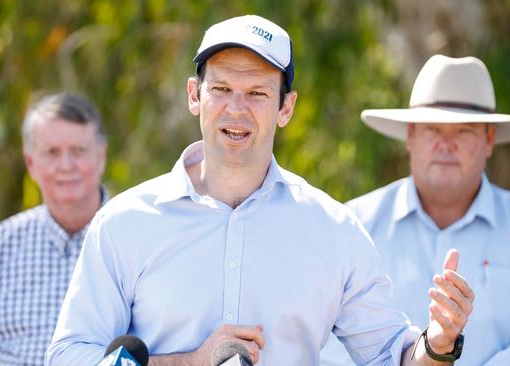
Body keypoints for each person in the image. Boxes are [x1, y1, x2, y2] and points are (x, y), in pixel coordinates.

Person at [47, 16, 473, 365]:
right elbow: (68, 357)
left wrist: (437, 345)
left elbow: (393, 356)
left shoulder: (333, 230)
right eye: (221, 90)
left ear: (286, 108)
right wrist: (188, 363)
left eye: (257, 93)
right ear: (194, 96)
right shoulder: (126, 223)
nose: (236, 108)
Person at [321, 55, 510, 365]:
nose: (446, 144)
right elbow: (323, 341)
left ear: (489, 140)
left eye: (463, 131)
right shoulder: (352, 228)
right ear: (411, 136)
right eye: (433, 129)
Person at [0, 93, 108, 365]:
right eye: (52, 152)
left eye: (79, 151)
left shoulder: (142, 241)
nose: (66, 166)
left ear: (101, 156)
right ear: (31, 163)